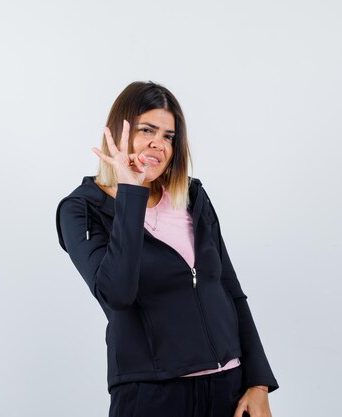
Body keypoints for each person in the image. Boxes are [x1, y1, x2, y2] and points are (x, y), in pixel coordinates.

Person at [55, 81, 279, 417]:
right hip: (152, 395)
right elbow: (116, 294)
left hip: (229, 390)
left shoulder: (191, 197)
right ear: (120, 133)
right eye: (147, 130)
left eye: (169, 136)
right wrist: (131, 194)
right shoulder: (81, 210)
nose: (158, 144)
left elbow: (230, 290)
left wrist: (259, 383)